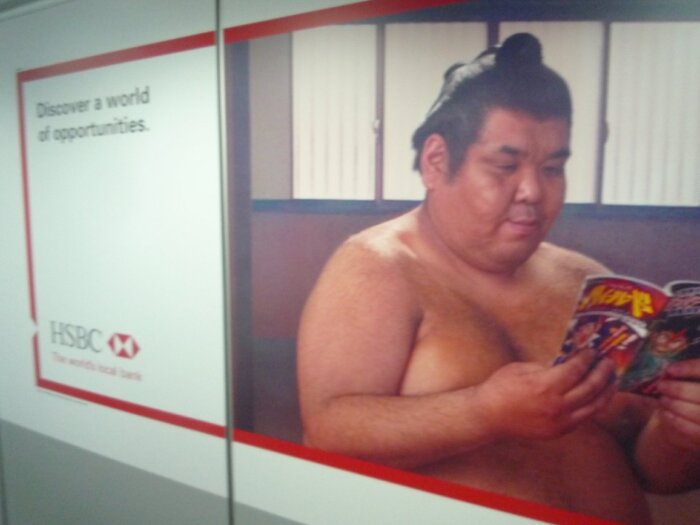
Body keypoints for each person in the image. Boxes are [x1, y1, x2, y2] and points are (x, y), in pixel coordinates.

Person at [296, 33, 700, 524]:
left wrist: (680, 431)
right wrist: (482, 413)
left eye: (552, 169)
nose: (532, 190)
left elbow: (655, 474)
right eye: (505, 166)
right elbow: (328, 435)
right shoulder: (376, 268)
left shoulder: (588, 281)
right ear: (436, 161)